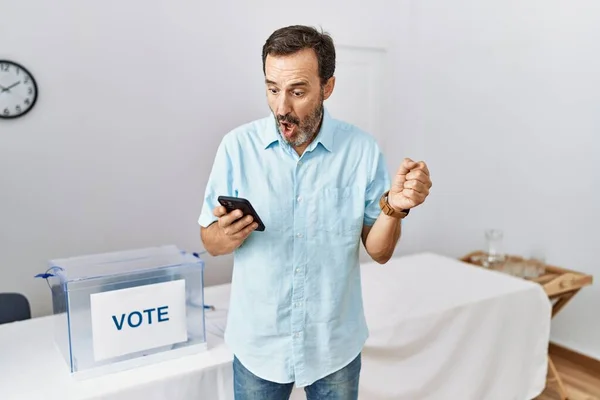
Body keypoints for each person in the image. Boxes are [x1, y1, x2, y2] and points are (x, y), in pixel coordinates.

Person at [198, 25, 432, 400]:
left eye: (297, 91)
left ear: (328, 87)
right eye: (272, 89)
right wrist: (222, 236)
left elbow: (379, 251)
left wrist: (396, 209)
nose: (281, 107)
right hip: (260, 343)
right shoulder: (236, 147)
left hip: (333, 344)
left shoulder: (362, 151)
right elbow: (209, 241)